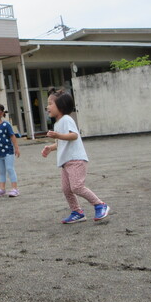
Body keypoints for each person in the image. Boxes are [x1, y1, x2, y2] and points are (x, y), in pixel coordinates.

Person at [41, 89, 110, 223]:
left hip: (76, 160)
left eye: (50, 103)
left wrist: (57, 135)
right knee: (66, 189)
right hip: (66, 162)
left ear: (61, 106)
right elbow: (61, 142)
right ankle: (77, 212)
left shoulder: (66, 119)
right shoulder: (57, 123)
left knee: (77, 187)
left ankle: (100, 204)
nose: (47, 107)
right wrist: (50, 147)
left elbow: (73, 136)